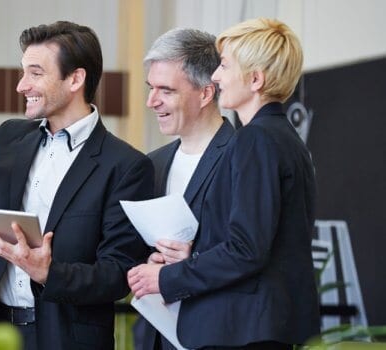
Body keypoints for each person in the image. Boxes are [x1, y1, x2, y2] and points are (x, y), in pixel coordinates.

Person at [0, 21, 153, 349]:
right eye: (23, 72)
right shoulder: (8, 138)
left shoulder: (126, 166)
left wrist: (49, 272)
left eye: (35, 73)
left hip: (65, 338)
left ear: (75, 78)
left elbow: (117, 274)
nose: (21, 86)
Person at [129, 18, 320, 349]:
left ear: (255, 79)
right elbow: (261, 237)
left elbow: (246, 249)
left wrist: (165, 277)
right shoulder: (283, 138)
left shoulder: (255, 139)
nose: (216, 77)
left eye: (226, 67)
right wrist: (195, 250)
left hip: (245, 329)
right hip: (263, 326)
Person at [128, 27, 235, 350]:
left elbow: (251, 250)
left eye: (166, 90)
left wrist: (193, 256)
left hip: (217, 335)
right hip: (156, 336)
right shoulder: (153, 163)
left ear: (206, 93)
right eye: (151, 88)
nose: (151, 101)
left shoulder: (241, 157)